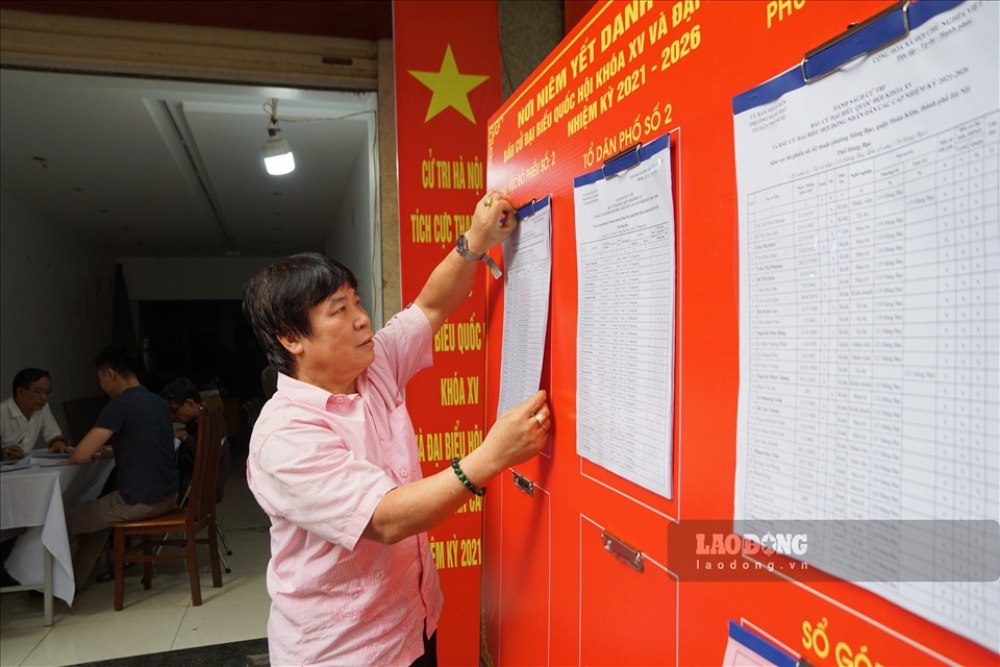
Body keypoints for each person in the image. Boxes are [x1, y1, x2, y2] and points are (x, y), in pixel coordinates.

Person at [242, 191, 551, 667]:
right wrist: (491, 457)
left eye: (357, 301)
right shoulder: (284, 436)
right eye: (339, 310)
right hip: (344, 653)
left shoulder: (372, 366)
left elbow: (430, 308)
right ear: (290, 338)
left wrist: (474, 242)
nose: (363, 318)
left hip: (413, 624)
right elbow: (384, 518)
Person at [64, 345, 179, 590]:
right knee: (95, 518)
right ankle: (75, 581)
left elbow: (81, 453)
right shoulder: (157, 402)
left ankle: (55, 586)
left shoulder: (120, 404)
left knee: (64, 523)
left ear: (110, 374)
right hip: (168, 495)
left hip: (138, 500)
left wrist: (74, 452)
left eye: (100, 378)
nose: (102, 385)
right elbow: (142, 442)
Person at [159, 377, 229, 502]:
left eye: (174, 411)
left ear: (190, 403)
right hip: (202, 490)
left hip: (195, 494)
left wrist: (185, 438)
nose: (172, 417)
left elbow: (203, 455)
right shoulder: (207, 419)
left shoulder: (208, 425)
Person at [1, 368, 71, 459]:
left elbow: (53, 434)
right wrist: (3, 453)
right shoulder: (2, 412)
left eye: (47, 392)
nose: (44, 398)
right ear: (20, 392)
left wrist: (58, 443)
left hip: (25, 465)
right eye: (38, 391)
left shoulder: (43, 408)